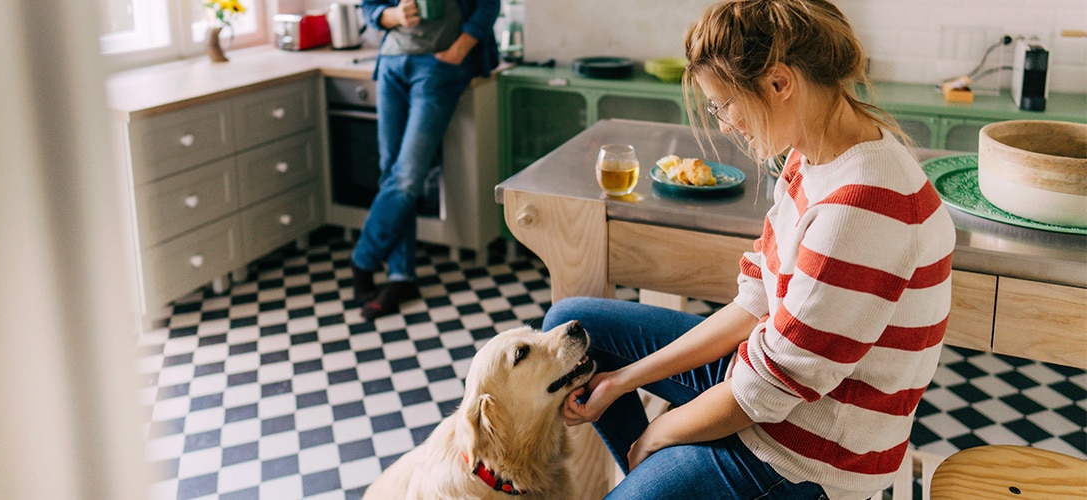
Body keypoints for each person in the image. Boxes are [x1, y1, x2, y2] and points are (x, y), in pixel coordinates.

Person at [543, 1, 956, 499]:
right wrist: (623, 380)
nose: (722, 124)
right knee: (574, 328)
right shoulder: (813, 155)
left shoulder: (862, 207)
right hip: (773, 387)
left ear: (780, 83)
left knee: (649, 464)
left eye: (723, 104)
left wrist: (658, 433)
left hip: (809, 452)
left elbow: (767, 389)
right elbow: (756, 300)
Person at [353, 0, 499, 320]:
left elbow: (488, 5)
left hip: (438, 66)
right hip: (391, 63)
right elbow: (369, 7)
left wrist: (460, 49)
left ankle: (363, 259)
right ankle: (401, 277)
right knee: (391, 173)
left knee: (405, 176)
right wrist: (391, 15)